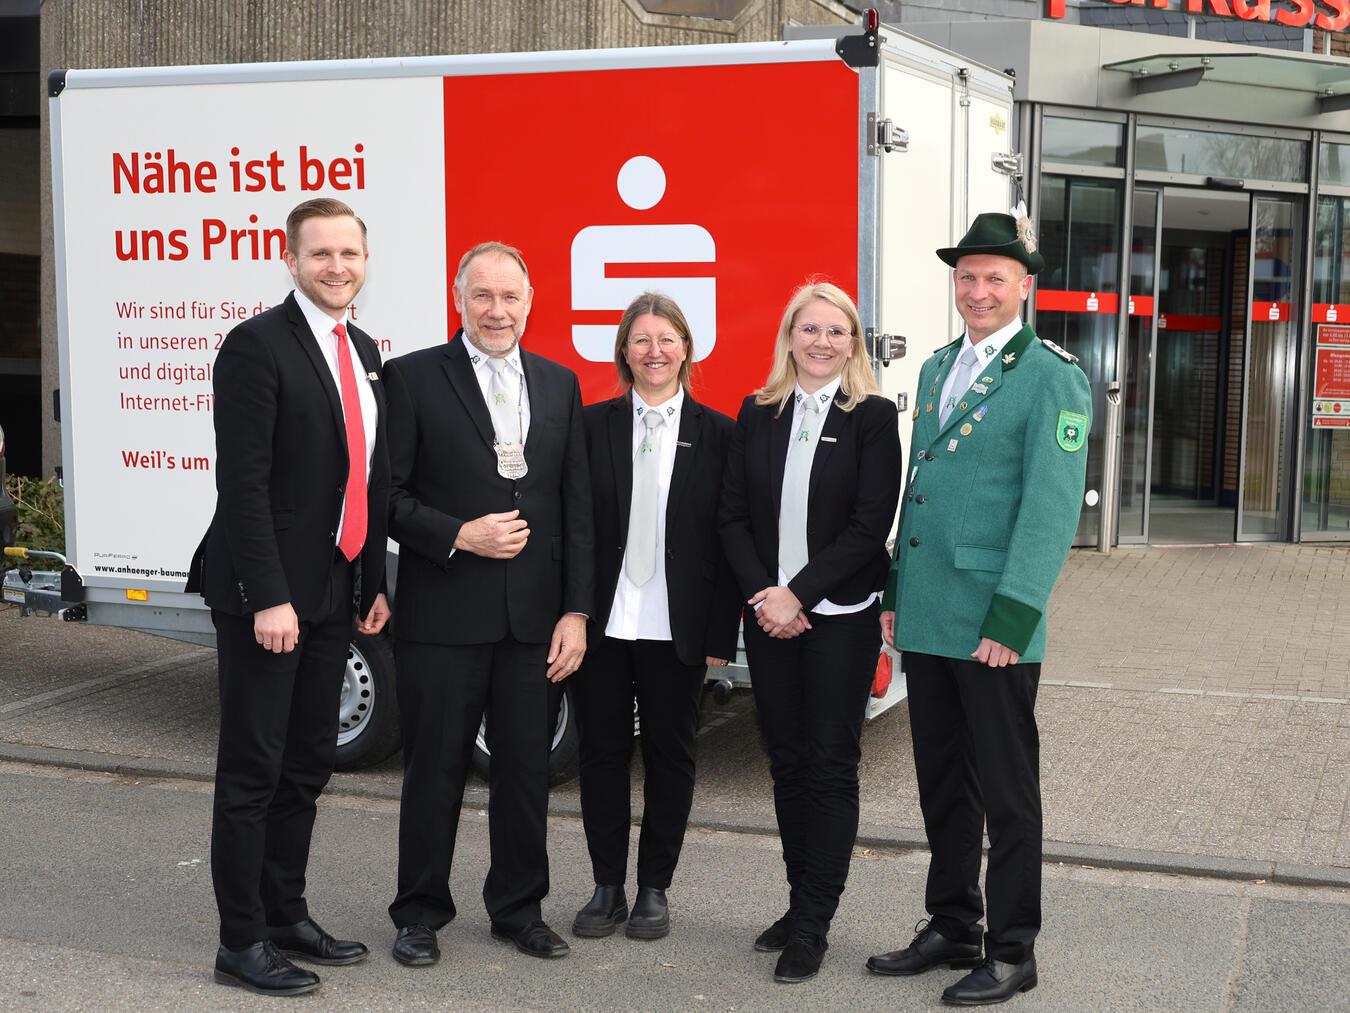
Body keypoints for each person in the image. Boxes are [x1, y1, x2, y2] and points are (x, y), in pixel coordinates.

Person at [866, 211, 1090, 1006]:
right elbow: (918, 496)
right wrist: (896, 592)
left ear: (1026, 286)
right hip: (929, 613)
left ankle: (1013, 946)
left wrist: (1015, 615)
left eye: (996, 277)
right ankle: (953, 921)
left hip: (993, 623)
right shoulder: (935, 370)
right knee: (942, 782)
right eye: (967, 276)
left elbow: (1050, 509)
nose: (979, 290)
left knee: (1006, 791)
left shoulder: (1051, 375)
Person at [186, 197, 391, 997]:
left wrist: (371, 582)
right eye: (321, 254)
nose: (337, 267)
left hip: (334, 589)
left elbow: (365, 477)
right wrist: (269, 596)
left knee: (307, 761)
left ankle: (284, 911)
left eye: (350, 253)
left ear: (365, 261)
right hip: (263, 595)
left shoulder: (364, 349)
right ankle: (239, 941)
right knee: (253, 767)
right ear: (291, 258)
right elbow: (241, 484)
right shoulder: (255, 346)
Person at [383, 241, 594, 966]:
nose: (497, 310)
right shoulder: (410, 379)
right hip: (442, 616)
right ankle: (418, 913)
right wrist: (459, 534)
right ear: (459, 300)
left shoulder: (560, 383)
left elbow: (576, 511)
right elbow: (386, 497)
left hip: (534, 620)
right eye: (482, 296)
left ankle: (517, 908)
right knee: (434, 767)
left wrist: (576, 611)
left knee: (525, 773)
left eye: (509, 296)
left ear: (530, 302)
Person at [718, 281, 902, 984]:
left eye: (837, 331)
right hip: (769, 617)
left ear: (852, 344)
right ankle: (799, 904)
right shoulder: (757, 412)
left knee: (830, 764)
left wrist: (798, 594)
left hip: (839, 620)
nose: (823, 342)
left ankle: (814, 923)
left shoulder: (872, 418)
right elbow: (731, 516)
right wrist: (767, 598)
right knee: (787, 760)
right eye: (810, 329)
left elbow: (867, 528)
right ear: (788, 336)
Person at [571, 292, 740, 942]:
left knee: (672, 755)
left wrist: (723, 631)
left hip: (679, 625)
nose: (654, 351)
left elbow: (729, 536)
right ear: (623, 352)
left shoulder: (720, 432)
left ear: (687, 349)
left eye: (666, 339)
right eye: (640, 340)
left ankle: (653, 889)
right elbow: (575, 530)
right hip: (607, 623)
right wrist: (571, 614)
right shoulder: (591, 427)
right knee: (602, 754)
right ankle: (607, 884)